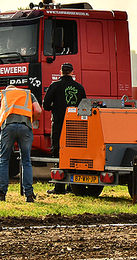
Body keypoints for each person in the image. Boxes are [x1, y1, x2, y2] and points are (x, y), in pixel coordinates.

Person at [0, 85, 42, 202]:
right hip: (25, 128)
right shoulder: (28, 94)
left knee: (3, 160)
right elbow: (38, 110)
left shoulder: (3, 94)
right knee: (26, 161)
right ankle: (29, 195)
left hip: (8, 128)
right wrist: (30, 120)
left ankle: (1, 194)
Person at [42, 62, 86, 194]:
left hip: (59, 124)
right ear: (72, 72)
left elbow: (45, 105)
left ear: (60, 72)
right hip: (75, 126)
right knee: (74, 153)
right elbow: (84, 106)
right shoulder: (79, 87)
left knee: (58, 154)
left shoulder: (55, 85)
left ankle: (59, 187)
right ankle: (72, 186)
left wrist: (56, 107)